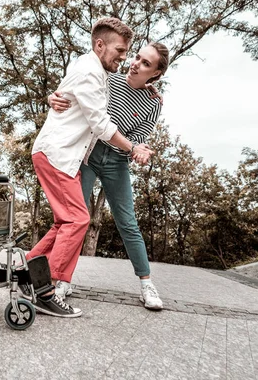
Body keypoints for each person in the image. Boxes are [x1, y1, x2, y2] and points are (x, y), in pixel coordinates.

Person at [25, 17, 154, 318]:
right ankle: (46, 290)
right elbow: (100, 123)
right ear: (100, 45)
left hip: (62, 155)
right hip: (58, 154)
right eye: (120, 50)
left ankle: (28, 267)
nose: (124, 57)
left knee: (64, 222)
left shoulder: (93, 68)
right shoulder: (89, 72)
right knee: (77, 219)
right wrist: (133, 147)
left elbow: (71, 93)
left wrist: (54, 95)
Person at [47, 42, 170, 310]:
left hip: (117, 162)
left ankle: (146, 284)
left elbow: (139, 136)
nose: (136, 63)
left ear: (156, 74)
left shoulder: (153, 102)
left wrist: (137, 151)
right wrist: (51, 97)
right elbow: (76, 97)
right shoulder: (108, 78)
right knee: (75, 218)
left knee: (128, 224)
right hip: (88, 154)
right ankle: (61, 281)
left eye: (146, 63)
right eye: (137, 57)